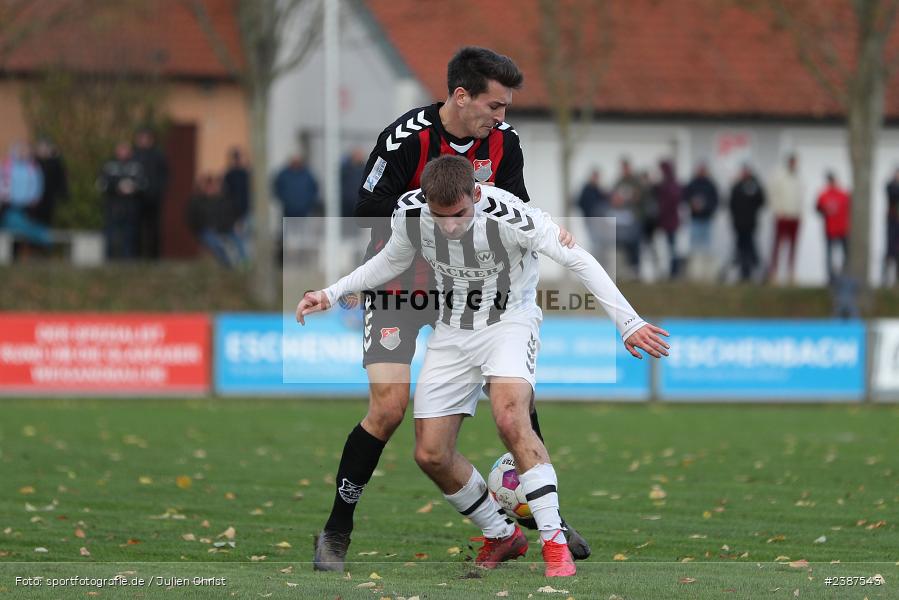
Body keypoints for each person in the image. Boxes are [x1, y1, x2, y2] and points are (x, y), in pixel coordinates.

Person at [296, 156, 670, 577]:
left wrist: (628, 322)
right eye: (440, 217)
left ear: (475, 193)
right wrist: (331, 292)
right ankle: (501, 534)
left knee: (511, 418)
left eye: (458, 215)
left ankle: (554, 545)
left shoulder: (511, 215)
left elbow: (578, 258)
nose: (450, 226)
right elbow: (390, 262)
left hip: (510, 322)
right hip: (452, 329)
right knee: (431, 453)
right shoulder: (411, 212)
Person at [312, 46, 588, 573]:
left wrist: (548, 236)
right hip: (397, 281)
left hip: (467, 284)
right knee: (389, 409)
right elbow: (366, 214)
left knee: (514, 399)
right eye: (495, 106)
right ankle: (336, 530)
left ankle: (542, 514)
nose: (502, 118)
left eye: (506, 108)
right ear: (462, 97)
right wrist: (436, 215)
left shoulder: (505, 143)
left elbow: (515, 213)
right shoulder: (404, 139)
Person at [97, 141, 146, 260]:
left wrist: (132, 187)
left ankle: (128, 259)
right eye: (121, 150)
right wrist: (117, 187)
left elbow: (143, 184)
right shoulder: (109, 166)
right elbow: (101, 184)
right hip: (113, 206)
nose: (123, 153)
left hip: (130, 206)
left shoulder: (136, 166)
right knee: (110, 234)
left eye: (125, 150)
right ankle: (109, 259)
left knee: (130, 235)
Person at [186, 174, 247, 268]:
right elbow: (192, 219)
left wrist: (236, 225)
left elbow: (233, 215)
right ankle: (228, 265)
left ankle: (244, 264)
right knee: (218, 245)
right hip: (207, 231)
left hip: (226, 229)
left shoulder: (224, 200)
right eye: (208, 186)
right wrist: (200, 229)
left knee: (239, 241)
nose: (211, 188)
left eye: (213, 186)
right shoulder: (197, 202)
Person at [0, 142, 50, 251]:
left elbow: (37, 184)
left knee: (21, 226)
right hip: (9, 204)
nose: (23, 154)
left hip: (27, 206)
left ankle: (43, 237)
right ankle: (43, 236)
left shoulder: (32, 168)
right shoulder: (6, 166)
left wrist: (34, 199)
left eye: (25, 151)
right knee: (13, 224)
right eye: (21, 151)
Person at [132, 127, 168, 259]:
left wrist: (158, 191)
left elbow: (164, 176)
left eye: (145, 138)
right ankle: (137, 255)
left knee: (154, 228)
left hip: (153, 198)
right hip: (137, 197)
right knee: (136, 228)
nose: (142, 141)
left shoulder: (158, 155)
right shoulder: (134, 155)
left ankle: (154, 256)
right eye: (140, 138)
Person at [767, 154, 803, 283]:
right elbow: (773, 194)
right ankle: (774, 273)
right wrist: (778, 210)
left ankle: (790, 274)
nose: (794, 165)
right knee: (777, 245)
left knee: (793, 246)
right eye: (793, 162)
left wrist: (800, 213)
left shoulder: (798, 178)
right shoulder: (779, 177)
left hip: (795, 216)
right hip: (782, 215)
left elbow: (801, 197)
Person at [728, 164, 766, 282]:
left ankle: (757, 271)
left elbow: (762, 201)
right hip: (739, 224)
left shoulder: (755, 186)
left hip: (750, 224)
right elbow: (731, 204)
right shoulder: (737, 186)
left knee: (751, 248)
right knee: (741, 249)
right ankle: (744, 273)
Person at [682, 162, 719, 282]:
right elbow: (685, 197)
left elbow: (716, 201)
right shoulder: (693, 184)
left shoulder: (710, 184)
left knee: (707, 248)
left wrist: (706, 208)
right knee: (694, 247)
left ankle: (707, 274)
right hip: (695, 220)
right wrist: (693, 205)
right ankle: (695, 274)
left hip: (706, 219)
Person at [610, 158, 642, 279]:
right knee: (618, 246)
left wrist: (631, 198)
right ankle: (620, 271)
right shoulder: (619, 182)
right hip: (621, 222)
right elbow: (613, 197)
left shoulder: (636, 182)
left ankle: (635, 271)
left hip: (633, 220)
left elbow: (640, 197)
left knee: (634, 246)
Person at [816, 171, 850, 283]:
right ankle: (831, 277)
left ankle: (844, 274)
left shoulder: (843, 194)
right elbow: (817, 209)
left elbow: (851, 209)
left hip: (842, 229)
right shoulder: (823, 195)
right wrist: (825, 211)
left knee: (845, 254)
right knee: (829, 255)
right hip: (830, 229)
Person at [653, 160, 682, 279]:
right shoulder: (666, 185)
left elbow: (670, 203)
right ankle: (670, 271)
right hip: (666, 222)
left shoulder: (670, 186)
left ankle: (673, 272)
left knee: (671, 248)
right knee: (668, 248)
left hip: (670, 223)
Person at [30, 138, 69, 227]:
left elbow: (61, 180)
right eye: (41, 148)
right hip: (34, 199)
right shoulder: (33, 162)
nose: (43, 150)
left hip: (49, 199)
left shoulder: (55, 163)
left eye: (45, 148)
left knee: (47, 221)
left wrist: (63, 193)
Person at [575, 168, 610, 265]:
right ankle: (593, 263)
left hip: (598, 222)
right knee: (594, 243)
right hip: (590, 220)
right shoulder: (586, 190)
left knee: (599, 243)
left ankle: (599, 263)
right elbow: (580, 203)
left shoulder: (598, 191)